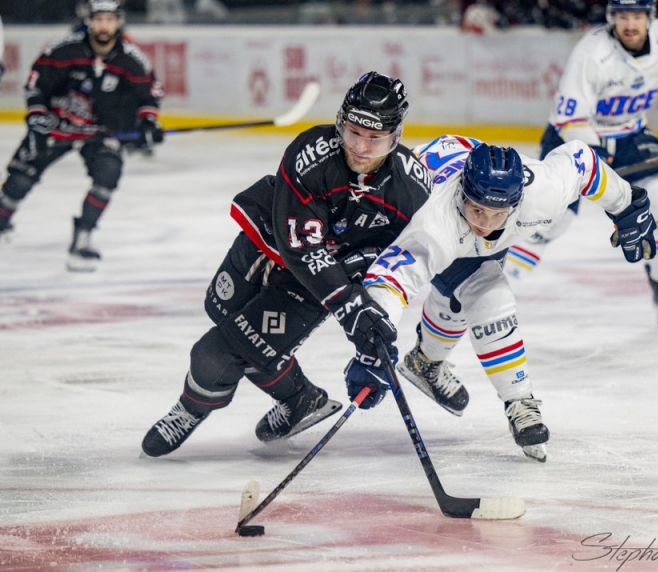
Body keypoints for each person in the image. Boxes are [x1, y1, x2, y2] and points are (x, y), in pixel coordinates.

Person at [141, 72, 432, 458]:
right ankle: (301, 399)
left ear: (395, 137)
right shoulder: (312, 153)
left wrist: (373, 326)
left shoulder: (411, 189)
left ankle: (190, 409)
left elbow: (406, 261)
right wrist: (349, 306)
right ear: (340, 123)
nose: (361, 148)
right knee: (220, 309)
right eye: (353, 133)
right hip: (271, 245)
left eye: (375, 138)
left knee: (216, 355)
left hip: (315, 283)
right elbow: (303, 247)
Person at [341, 134, 656, 461]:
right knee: (488, 292)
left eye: (497, 213)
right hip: (398, 205)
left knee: (460, 294)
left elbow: (582, 162)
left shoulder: (542, 192)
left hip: (453, 169)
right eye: (477, 209)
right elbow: (390, 279)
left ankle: (426, 361)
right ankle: (519, 399)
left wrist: (625, 203)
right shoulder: (434, 223)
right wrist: (371, 346)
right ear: (462, 193)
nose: (485, 224)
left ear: (517, 202)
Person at [505, 0, 658, 328]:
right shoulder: (592, 53)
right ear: (612, 17)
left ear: (650, 17)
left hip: (630, 134)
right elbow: (571, 118)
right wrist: (595, 161)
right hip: (575, 136)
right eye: (623, 16)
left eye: (637, 16)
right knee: (554, 219)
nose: (630, 24)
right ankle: (497, 283)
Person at [0, 0, 163, 271]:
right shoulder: (65, 50)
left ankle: (83, 239)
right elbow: (35, 84)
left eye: (109, 20)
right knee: (18, 181)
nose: (103, 26)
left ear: (119, 22)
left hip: (98, 134)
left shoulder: (132, 59)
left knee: (108, 173)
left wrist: (147, 123)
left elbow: (149, 93)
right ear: (88, 21)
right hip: (55, 127)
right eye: (98, 20)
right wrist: (37, 119)